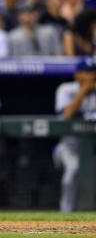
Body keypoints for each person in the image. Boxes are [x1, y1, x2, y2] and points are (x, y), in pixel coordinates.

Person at [54, 57, 96, 212]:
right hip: (68, 149)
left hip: (92, 150)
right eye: (87, 72)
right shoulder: (65, 89)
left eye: (93, 72)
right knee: (73, 169)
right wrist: (83, 91)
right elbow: (67, 114)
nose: (91, 76)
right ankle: (66, 214)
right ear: (77, 75)